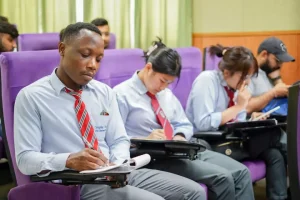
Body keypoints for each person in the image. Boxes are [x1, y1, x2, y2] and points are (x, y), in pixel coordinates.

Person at [14, 22, 206, 200]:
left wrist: (118, 163)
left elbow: (119, 140)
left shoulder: (104, 92)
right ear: (62, 49)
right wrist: (69, 160)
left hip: (115, 173)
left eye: (98, 59)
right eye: (85, 55)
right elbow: (25, 160)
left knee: (194, 193)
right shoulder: (32, 97)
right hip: (76, 181)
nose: (93, 65)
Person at [113, 38, 255, 200]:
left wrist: (180, 135)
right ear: (148, 68)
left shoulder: (165, 94)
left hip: (180, 148)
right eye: (162, 81)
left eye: (169, 83)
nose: (164, 87)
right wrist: (143, 140)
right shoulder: (121, 95)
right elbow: (114, 139)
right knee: (223, 177)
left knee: (242, 172)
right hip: (153, 156)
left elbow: (184, 123)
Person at [185, 44, 288, 200]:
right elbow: (203, 123)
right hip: (208, 142)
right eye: (244, 76)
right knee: (275, 136)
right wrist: (239, 106)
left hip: (230, 139)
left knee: (274, 154)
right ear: (227, 72)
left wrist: (250, 120)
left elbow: (236, 119)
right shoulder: (206, 81)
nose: (246, 82)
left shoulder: (233, 87)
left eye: (249, 77)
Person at [246, 37, 295, 113]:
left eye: (282, 62)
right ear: (264, 54)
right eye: (277, 60)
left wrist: (277, 80)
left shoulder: (270, 71)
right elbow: (246, 107)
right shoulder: (248, 73)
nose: (280, 65)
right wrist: (273, 92)